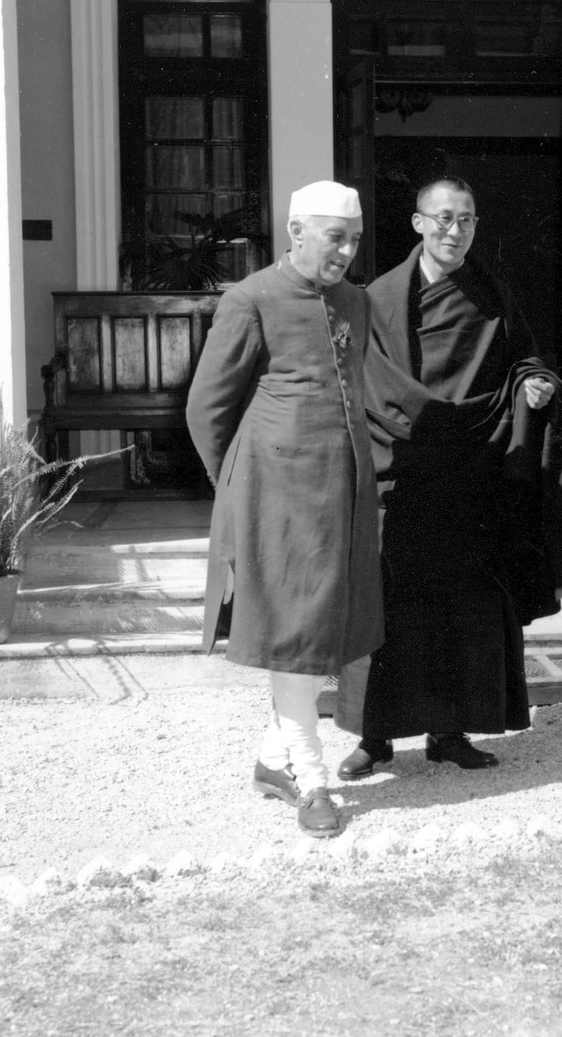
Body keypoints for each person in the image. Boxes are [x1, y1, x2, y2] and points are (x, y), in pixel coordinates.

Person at [333, 176, 562, 778]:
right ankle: (373, 739)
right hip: (399, 469)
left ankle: (450, 731)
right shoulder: (377, 297)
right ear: (418, 223)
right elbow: (363, 378)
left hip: (471, 473)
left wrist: (534, 383)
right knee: (386, 609)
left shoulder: (492, 293)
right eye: (444, 219)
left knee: (464, 606)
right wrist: (415, 425)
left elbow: (527, 358)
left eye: (467, 220)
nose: (455, 231)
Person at [185, 180, 383, 839]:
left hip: (344, 494)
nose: (348, 251)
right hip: (277, 496)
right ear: (296, 232)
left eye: (354, 239)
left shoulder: (355, 300)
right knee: (297, 637)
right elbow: (205, 408)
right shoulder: (251, 299)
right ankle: (310, 778)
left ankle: (273, 760)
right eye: (336, 238)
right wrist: (240, 487)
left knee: (325, 631)